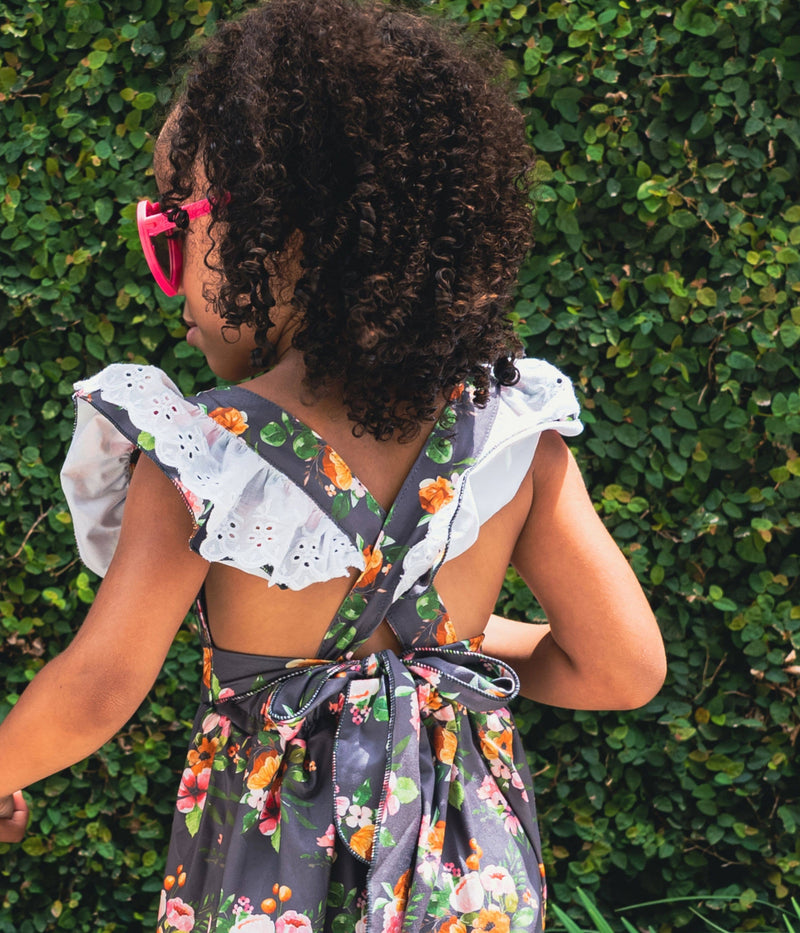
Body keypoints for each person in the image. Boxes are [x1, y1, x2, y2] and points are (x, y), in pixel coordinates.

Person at [0, 0, 666, 930]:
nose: (169, 270)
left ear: (279, 236)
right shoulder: (512, 437)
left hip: (272, 888)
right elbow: (623, 669)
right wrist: (448, 658)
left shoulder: (208, 456)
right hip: (470, 893)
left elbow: (101, 685)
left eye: (173, 228)